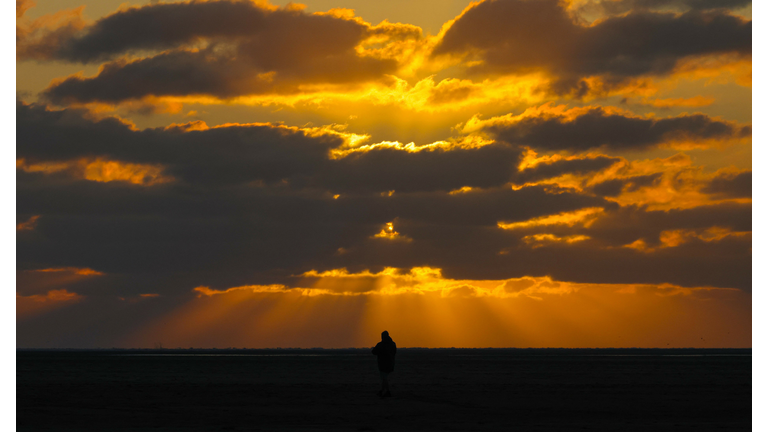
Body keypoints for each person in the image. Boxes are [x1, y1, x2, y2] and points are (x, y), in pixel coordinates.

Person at [372, 330, 397, 397]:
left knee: (384, 378)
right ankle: (382, 391)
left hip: (383, 364)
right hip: (391, 363)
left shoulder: (381, 345)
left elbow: (374, 352)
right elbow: (394, 352)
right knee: (384, 378)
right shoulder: (393, 344)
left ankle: (387, 391)